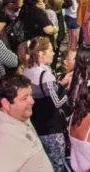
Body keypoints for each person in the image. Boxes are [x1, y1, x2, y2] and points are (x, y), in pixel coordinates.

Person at [0, 74, 53, 172]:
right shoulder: (2, 138)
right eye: (24, 98)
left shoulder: (17, 115)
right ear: (6, 103)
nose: (32, 101)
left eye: (31, 95)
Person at [23, 38, 70, 172]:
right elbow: (57, 103)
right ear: (40, 53)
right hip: (51, 128)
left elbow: (45, 93)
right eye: (50, 50)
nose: (53, 53)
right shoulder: (46, 76)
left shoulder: (27, 71)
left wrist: (60, 84)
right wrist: (68, 91)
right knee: (57, 165)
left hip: (36, 124)